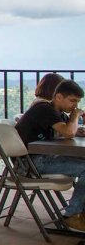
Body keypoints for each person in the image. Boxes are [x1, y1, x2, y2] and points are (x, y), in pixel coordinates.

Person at [17, 79, 85, 231]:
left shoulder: (58, 113)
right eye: (72, 101)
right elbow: (68, 132)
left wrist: (78, 128)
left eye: (77, 102)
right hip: (30, 163)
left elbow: (69, 130)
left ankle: (80, 214)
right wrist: (75, 116)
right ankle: (72, 216)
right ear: (59, 97)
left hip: (43, 159)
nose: (75, 105)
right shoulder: (43, 109)